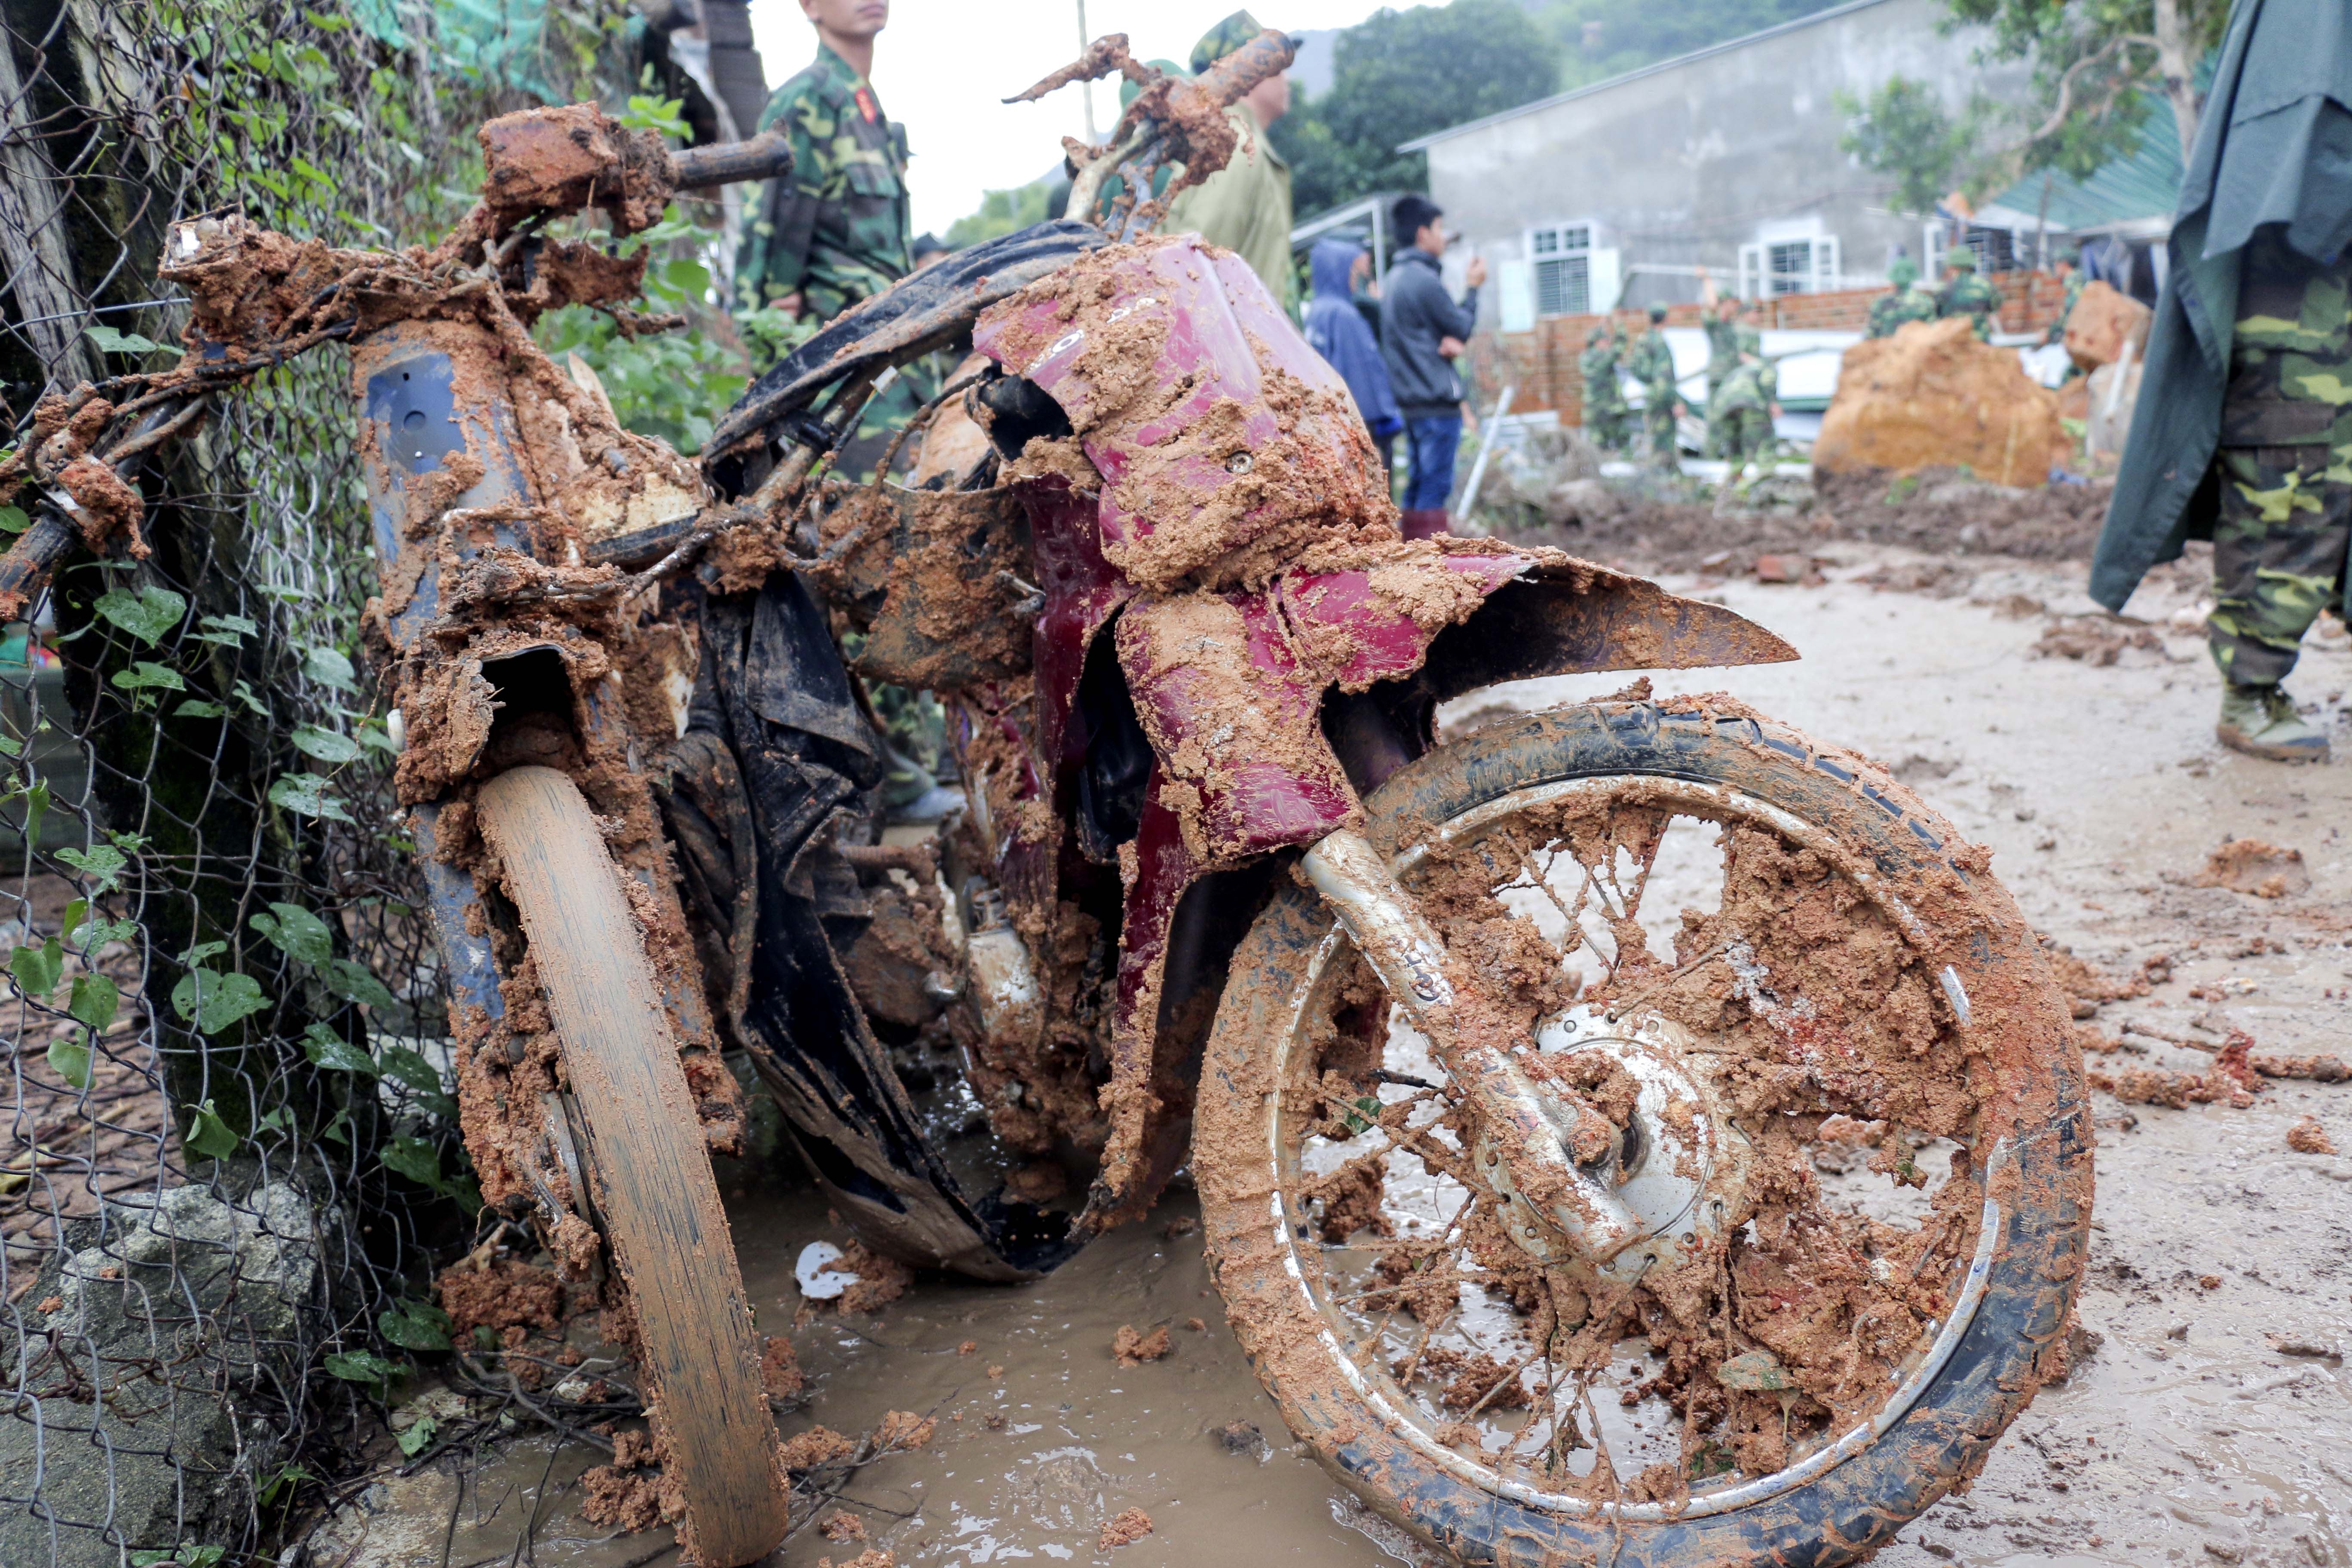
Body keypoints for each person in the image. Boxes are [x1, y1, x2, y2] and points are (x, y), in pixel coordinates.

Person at [2090, 0, 2352, 763]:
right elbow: (2302, 145)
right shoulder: (2307, 19)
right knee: (2295, 484)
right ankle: (2251, 690)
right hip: (2302, 286)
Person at [1159, 12, 1295, 310]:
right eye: (1278, 68)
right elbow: (1192, 271)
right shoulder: (1233, 149)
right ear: (1250, 72)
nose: (1287, 79)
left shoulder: (1239, 143)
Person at [1380, 193, 1484, 538]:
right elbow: (1461, 327)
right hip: (1435, 400)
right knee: (1434, 488)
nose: (1443, 237)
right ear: (1423, 234)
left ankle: (1412, 554)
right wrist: (1473, 288)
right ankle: (1430, 560)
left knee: (1418, 484)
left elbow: (1423, 335)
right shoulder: (1423, 280)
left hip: (1412, 400)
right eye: (1439, 229)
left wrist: (1443, 343)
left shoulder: (1395, 278)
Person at [1304, 236, 1402, 489]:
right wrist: (1380, 425)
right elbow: (1361, 374)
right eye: (1354, 271)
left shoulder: (1318, 310)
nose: (1357, 279)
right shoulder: (1343, 315)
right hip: (1360, 426)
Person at [1713, 346, 1779, 480]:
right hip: (1750, 402)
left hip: (1724, 407)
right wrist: (1772, 403)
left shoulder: (1738, 371)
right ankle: (1767, 474)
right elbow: (1768, 382)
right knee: (1764, 438)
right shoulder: (1765, 365)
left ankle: (1735, 475)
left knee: (1734, 442)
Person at [1627, 302, 1681, 461]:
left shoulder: (1642, 340)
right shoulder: (1659, 343)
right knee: (1664, 443)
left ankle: (1658, 471)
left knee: (1654, 438)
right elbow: (1664, 377)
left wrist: (1649, 384)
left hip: (1650, 395)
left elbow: (1634, 368)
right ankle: (1664, 473)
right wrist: (1675, 402)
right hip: (1662, 399)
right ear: (1665, 319)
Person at [1577, 325, 1629, 451]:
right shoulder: (1601, 356)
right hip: (1607, 408)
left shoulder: (1585, 357)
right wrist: (1619, 327)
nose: (1608, 344)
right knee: (1620, 441)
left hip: (1594, 409)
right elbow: (1619, 349)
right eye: (1605, 341)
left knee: (1598, 445)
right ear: (1598, 342)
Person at [1937, 245, 2001, 341]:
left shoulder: (1943, 288)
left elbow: (1938, 314)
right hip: (1980, 341)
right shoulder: (1985, 285)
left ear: (1952, 266)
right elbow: (1995, 306)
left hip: (1955, 342)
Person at [1867, 256, 1939, 338]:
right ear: (1913, 277)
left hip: (1889, 346)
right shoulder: (1926, 302)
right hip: (1917, 346)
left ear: (1893, 278)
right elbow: (1933, 333)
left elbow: (1871, 335)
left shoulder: (1880, 304)